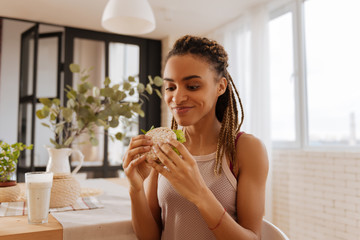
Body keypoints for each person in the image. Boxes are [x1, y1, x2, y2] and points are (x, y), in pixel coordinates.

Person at [122, 35, 269, 240]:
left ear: (221, 86)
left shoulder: (246, 148)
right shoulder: (165, 148)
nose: (177, 98)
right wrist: (135, 188)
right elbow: (150, 237)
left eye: (192, 86)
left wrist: (199, 194)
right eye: (171, 87)